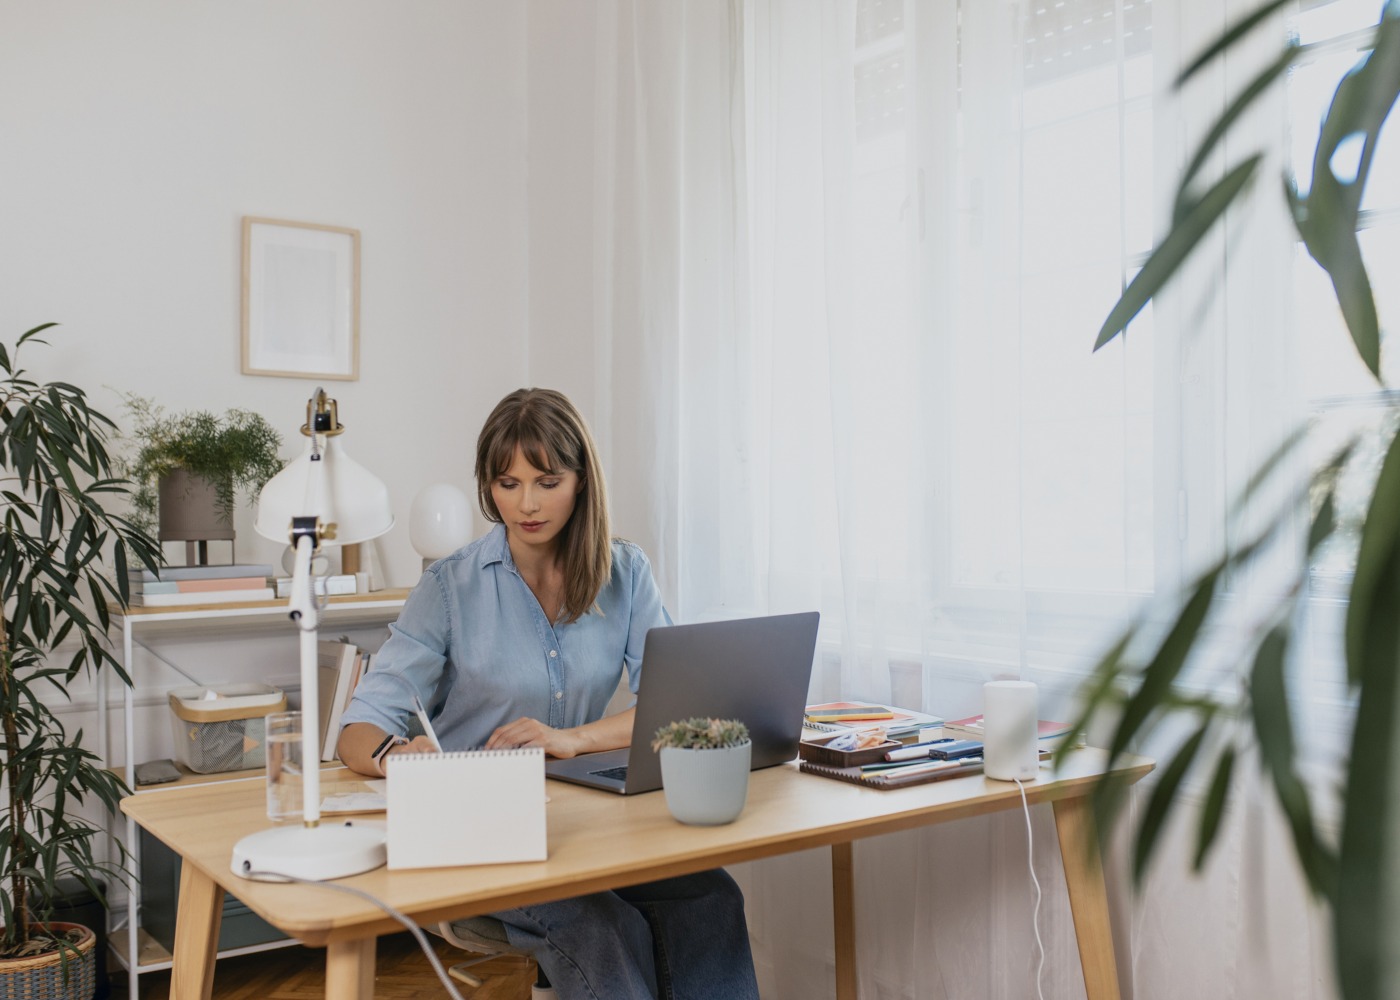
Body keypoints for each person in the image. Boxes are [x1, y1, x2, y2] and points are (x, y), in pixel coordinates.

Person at [337, 388, 760, 1000]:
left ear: (581, 480)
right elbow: (358, 729)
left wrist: (572, 739)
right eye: (507, 484)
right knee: (601, 928)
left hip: (586, 828)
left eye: (547, 481)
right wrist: (398, 757)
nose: (526, 504)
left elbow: (676, 714)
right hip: (484, 833)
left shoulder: (626, 573)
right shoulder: (449, 588)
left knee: (709, 895)